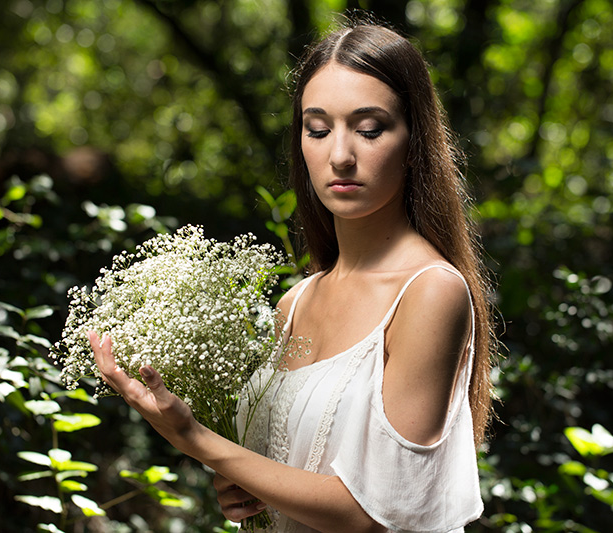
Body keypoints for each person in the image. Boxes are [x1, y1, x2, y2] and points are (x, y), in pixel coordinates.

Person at [88, 20, 494, 533]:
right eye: (318, 129)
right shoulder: (295, 301)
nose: (340, 156)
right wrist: (238, 486)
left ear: (415, 140)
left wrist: (196, 439)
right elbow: (282, 479)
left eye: (369, 129)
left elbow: (373, 513)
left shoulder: (431, 292)